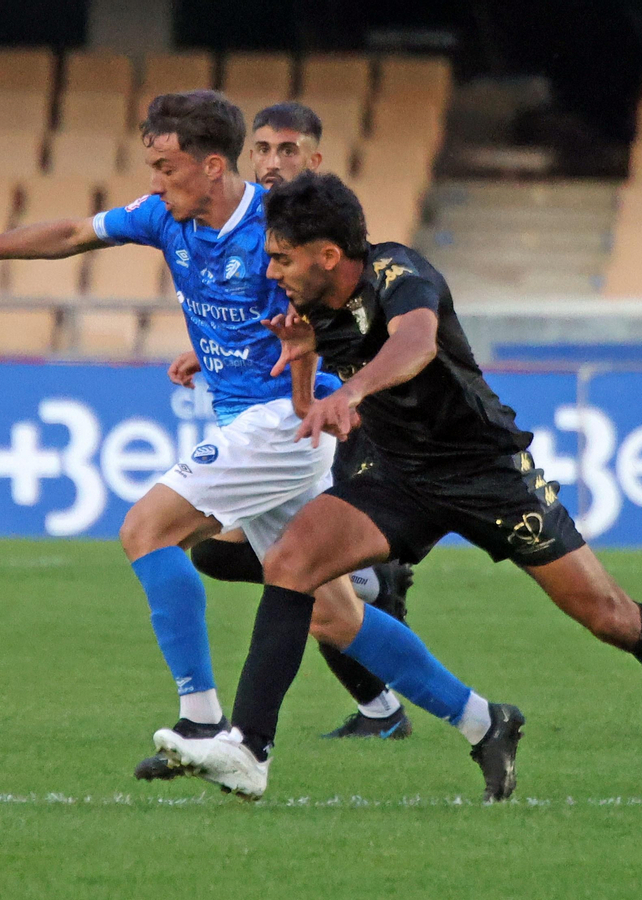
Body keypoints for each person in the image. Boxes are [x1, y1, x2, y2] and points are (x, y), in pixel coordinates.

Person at [160, 171, 642, 811]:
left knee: (609, 616)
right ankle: (249, 750)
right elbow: (305, 403)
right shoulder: (305, 306)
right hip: (399, 475)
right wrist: (300, 356)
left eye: (281, 258)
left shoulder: (400, 274)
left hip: (486, 473)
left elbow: (414, 344)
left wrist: (355, 389)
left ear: (328, 256)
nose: (272, 272)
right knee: (291, 561)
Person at [0, 91, 421, 779]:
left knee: (152, 530)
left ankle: (202, 715)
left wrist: (325, 381)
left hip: (301, 419)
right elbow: (70, 235)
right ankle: (472, 715)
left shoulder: (283, 228)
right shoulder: (164, 216)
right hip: (261, 418)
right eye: (264, 148)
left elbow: (329, 319)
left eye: (162, 165)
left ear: (210, 165)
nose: (152, 180)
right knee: (327, 609)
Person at [181, 100, 417, 741]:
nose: (272, 161)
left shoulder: (330, 230)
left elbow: (351, 321)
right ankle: (385, 700)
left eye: (288, 151)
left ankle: (388, 706)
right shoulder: (252, 222)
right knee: (249, 563)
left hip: (339, 420)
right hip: (289, 411)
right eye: (261, 149)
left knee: (300, 577)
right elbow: (262, 312)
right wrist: (211, 350)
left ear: (315, 159)